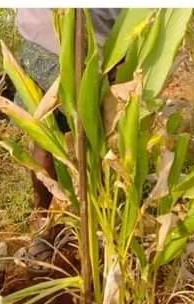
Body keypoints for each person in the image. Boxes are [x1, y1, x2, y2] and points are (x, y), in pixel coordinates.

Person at [12, 9, 120, 211]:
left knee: (50, 136)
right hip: (65, 45)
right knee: (83, 135)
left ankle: (49, 219)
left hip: (49, 41)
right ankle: (56, 219)